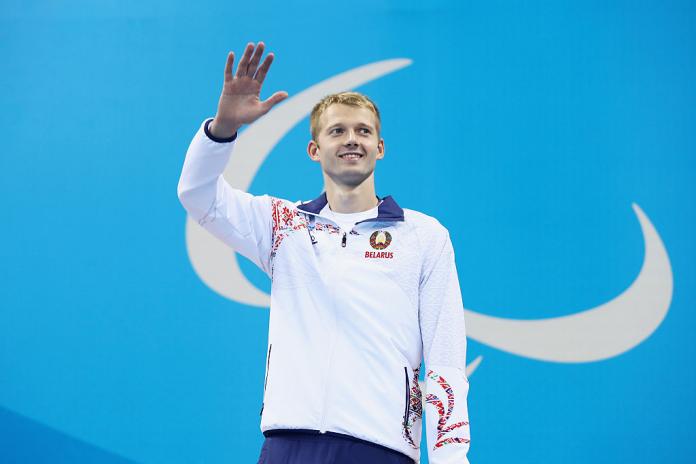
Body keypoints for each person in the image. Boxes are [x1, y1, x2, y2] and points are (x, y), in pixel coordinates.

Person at [177, 42, 471, 464]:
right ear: (315, 150)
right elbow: (197, 195)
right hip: (286, 445)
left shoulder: (424, 236)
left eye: (363, 131)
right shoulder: (283, 225)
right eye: (337, 131)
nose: (351, 140)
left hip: (380, 449)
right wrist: (221, 129)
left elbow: (445, 361)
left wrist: (450, 459)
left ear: (380, 147)